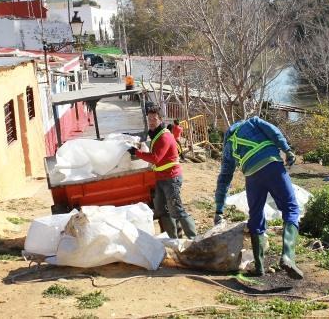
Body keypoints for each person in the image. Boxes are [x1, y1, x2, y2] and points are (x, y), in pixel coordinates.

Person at [213, 116, 302, 278]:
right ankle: (288, 257)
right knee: (291, 208)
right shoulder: (253, 122)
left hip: (252, 177)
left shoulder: (229, 146)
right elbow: (274, 132)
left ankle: (259, 267)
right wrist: (287, 150)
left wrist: (219, 209)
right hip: (272, 165)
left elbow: (224, 178)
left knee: (256, 217)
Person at [128, 104, 197, 239]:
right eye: (149, 119)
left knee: (176, 209)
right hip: (161, 178)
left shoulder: (164, 136)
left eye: (154, 119)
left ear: (160, 119)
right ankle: (173, 239)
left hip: (171, 178)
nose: (151, 122)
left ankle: (194, 239)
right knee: (162, 210)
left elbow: (155, 158)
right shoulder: (156, 135)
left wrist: (137, 152)